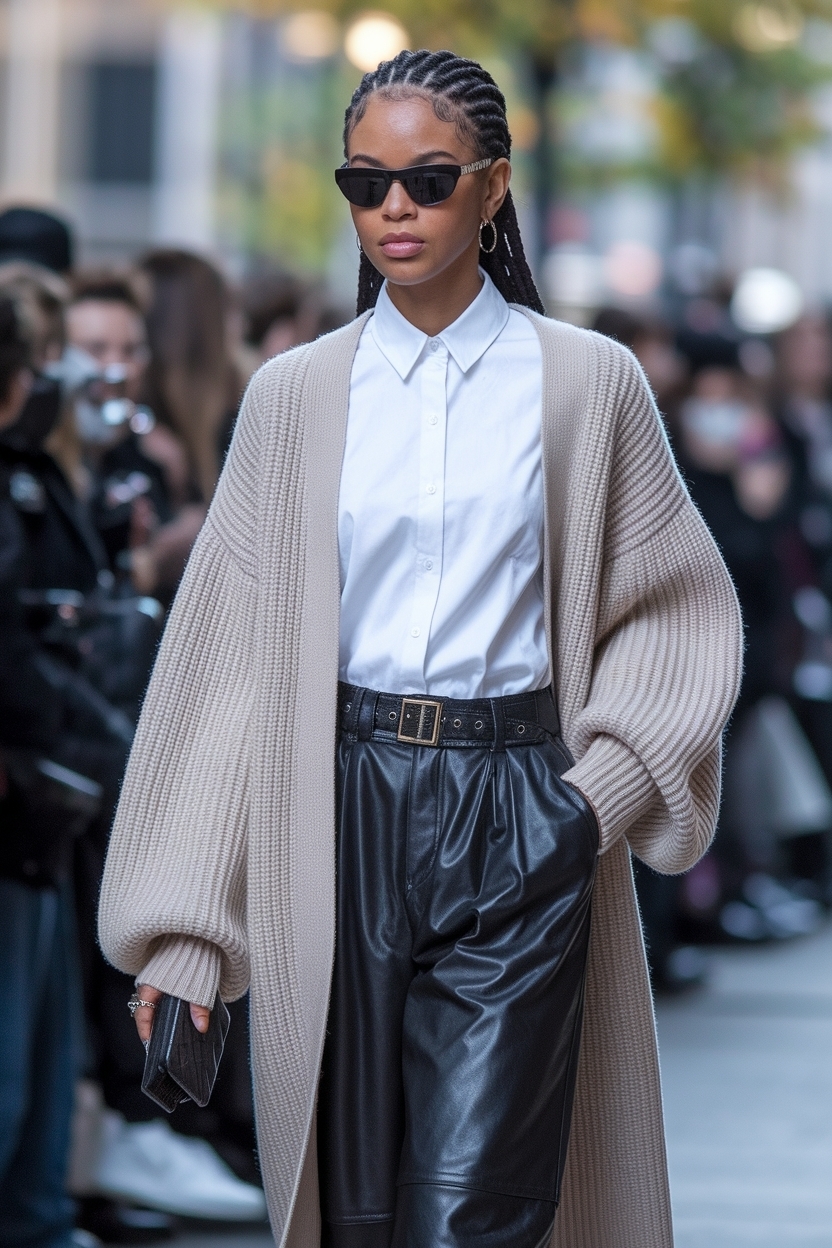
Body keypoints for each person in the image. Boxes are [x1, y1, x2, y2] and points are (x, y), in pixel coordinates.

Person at [99, 50, 741, 1248]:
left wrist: (585, 804)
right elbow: (229, 659)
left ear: (493, 189)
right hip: (329, 807)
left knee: (468, 1215)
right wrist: (185, 923)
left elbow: (675, 609)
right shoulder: (295, 396)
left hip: (520, 807)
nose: (393, 208)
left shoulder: (584, 383)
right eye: (366, 180)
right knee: (362, 1213)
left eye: (430, 180)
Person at [0, 293, 100, 1248]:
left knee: (39, 1030)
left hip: (38, 791)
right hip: (22, 784)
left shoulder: (30, 474)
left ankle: (38, 1212)